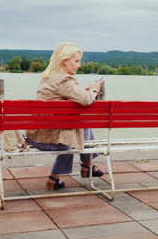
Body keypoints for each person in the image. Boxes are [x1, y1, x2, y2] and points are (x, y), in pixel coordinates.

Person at [26, 42, 104, 191]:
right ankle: (87, 166)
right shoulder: (65, 81)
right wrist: (94, 90)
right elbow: (87, 100)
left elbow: (66, 93)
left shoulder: (47, 79)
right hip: (48, 140)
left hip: (36, 135)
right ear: (64, 62)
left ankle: (57, 177)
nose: (79, 65)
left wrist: (82, 90)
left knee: (77, 127)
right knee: (76, 131)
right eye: (76, 61)